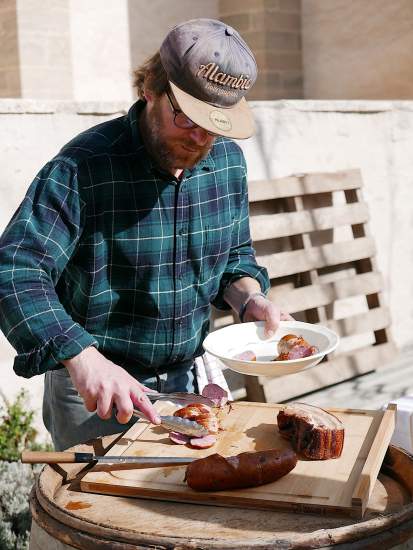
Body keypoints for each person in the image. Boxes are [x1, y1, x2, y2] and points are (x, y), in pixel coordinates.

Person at [0, 18, 291, 451]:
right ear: (150, 89)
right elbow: (16, 270)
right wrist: (83, 358)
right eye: (186, 117)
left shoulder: (228, 162)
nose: (199, 138)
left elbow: (234, 258)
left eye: (214, 124)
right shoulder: (83, 167)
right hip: (96, 393)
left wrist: (250, 299)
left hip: (188, 383)